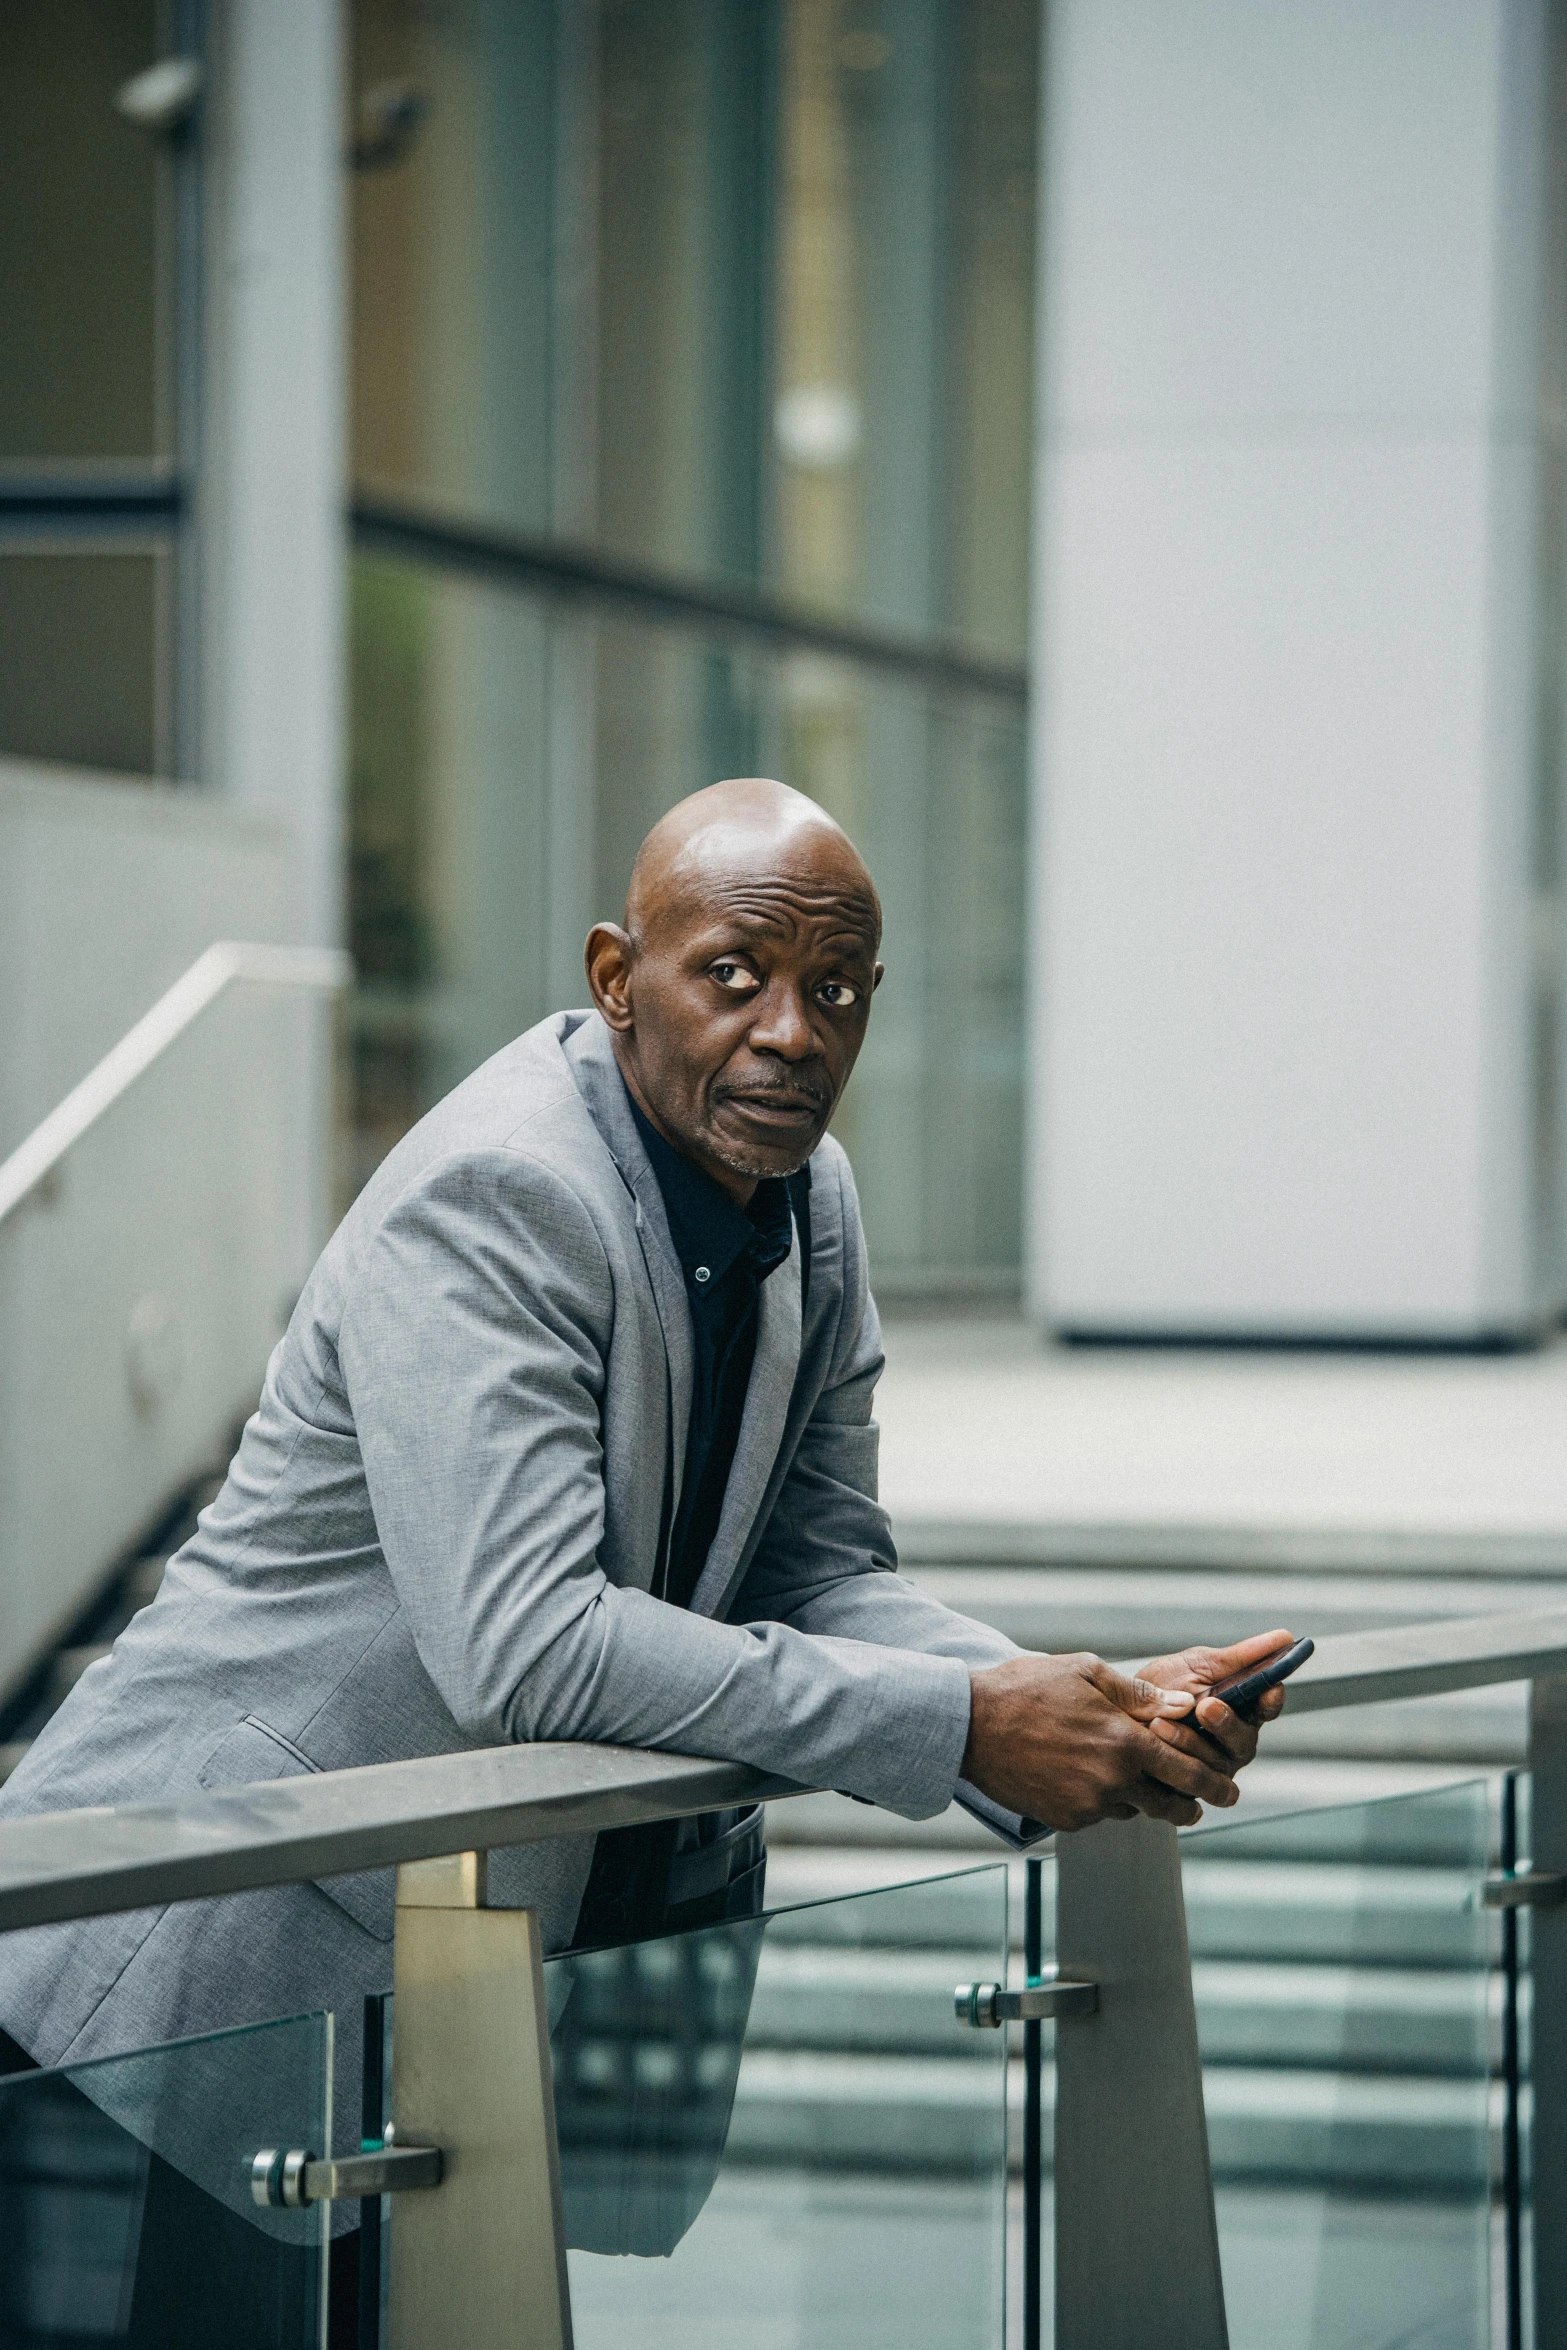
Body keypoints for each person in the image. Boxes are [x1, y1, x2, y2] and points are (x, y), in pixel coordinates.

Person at [0, 778, 1290, 2326]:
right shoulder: (501, 1191)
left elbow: (816, 1563)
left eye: (835, 989)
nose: (791, 1032)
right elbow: (524, 1640)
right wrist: (963, 1726)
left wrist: (1064, 1697)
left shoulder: (811, 1203)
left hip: (421, 1975)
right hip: (183, 1954)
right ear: (619, 979)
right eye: (732, 975)